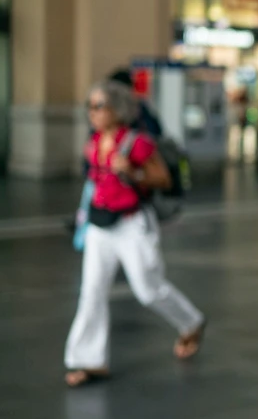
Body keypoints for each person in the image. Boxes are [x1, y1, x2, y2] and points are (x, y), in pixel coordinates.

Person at [63, 80, 205, 387]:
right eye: (90, 106)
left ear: (117, 109)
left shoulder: (136, 143)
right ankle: (87, 361)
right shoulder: (94, 142)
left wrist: (132, 171)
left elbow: (163, 180)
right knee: (92, 292)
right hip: (101, 226)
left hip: (132, 225)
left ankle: (191, 322)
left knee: (147, 289)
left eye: (99, 106)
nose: (92, 112)